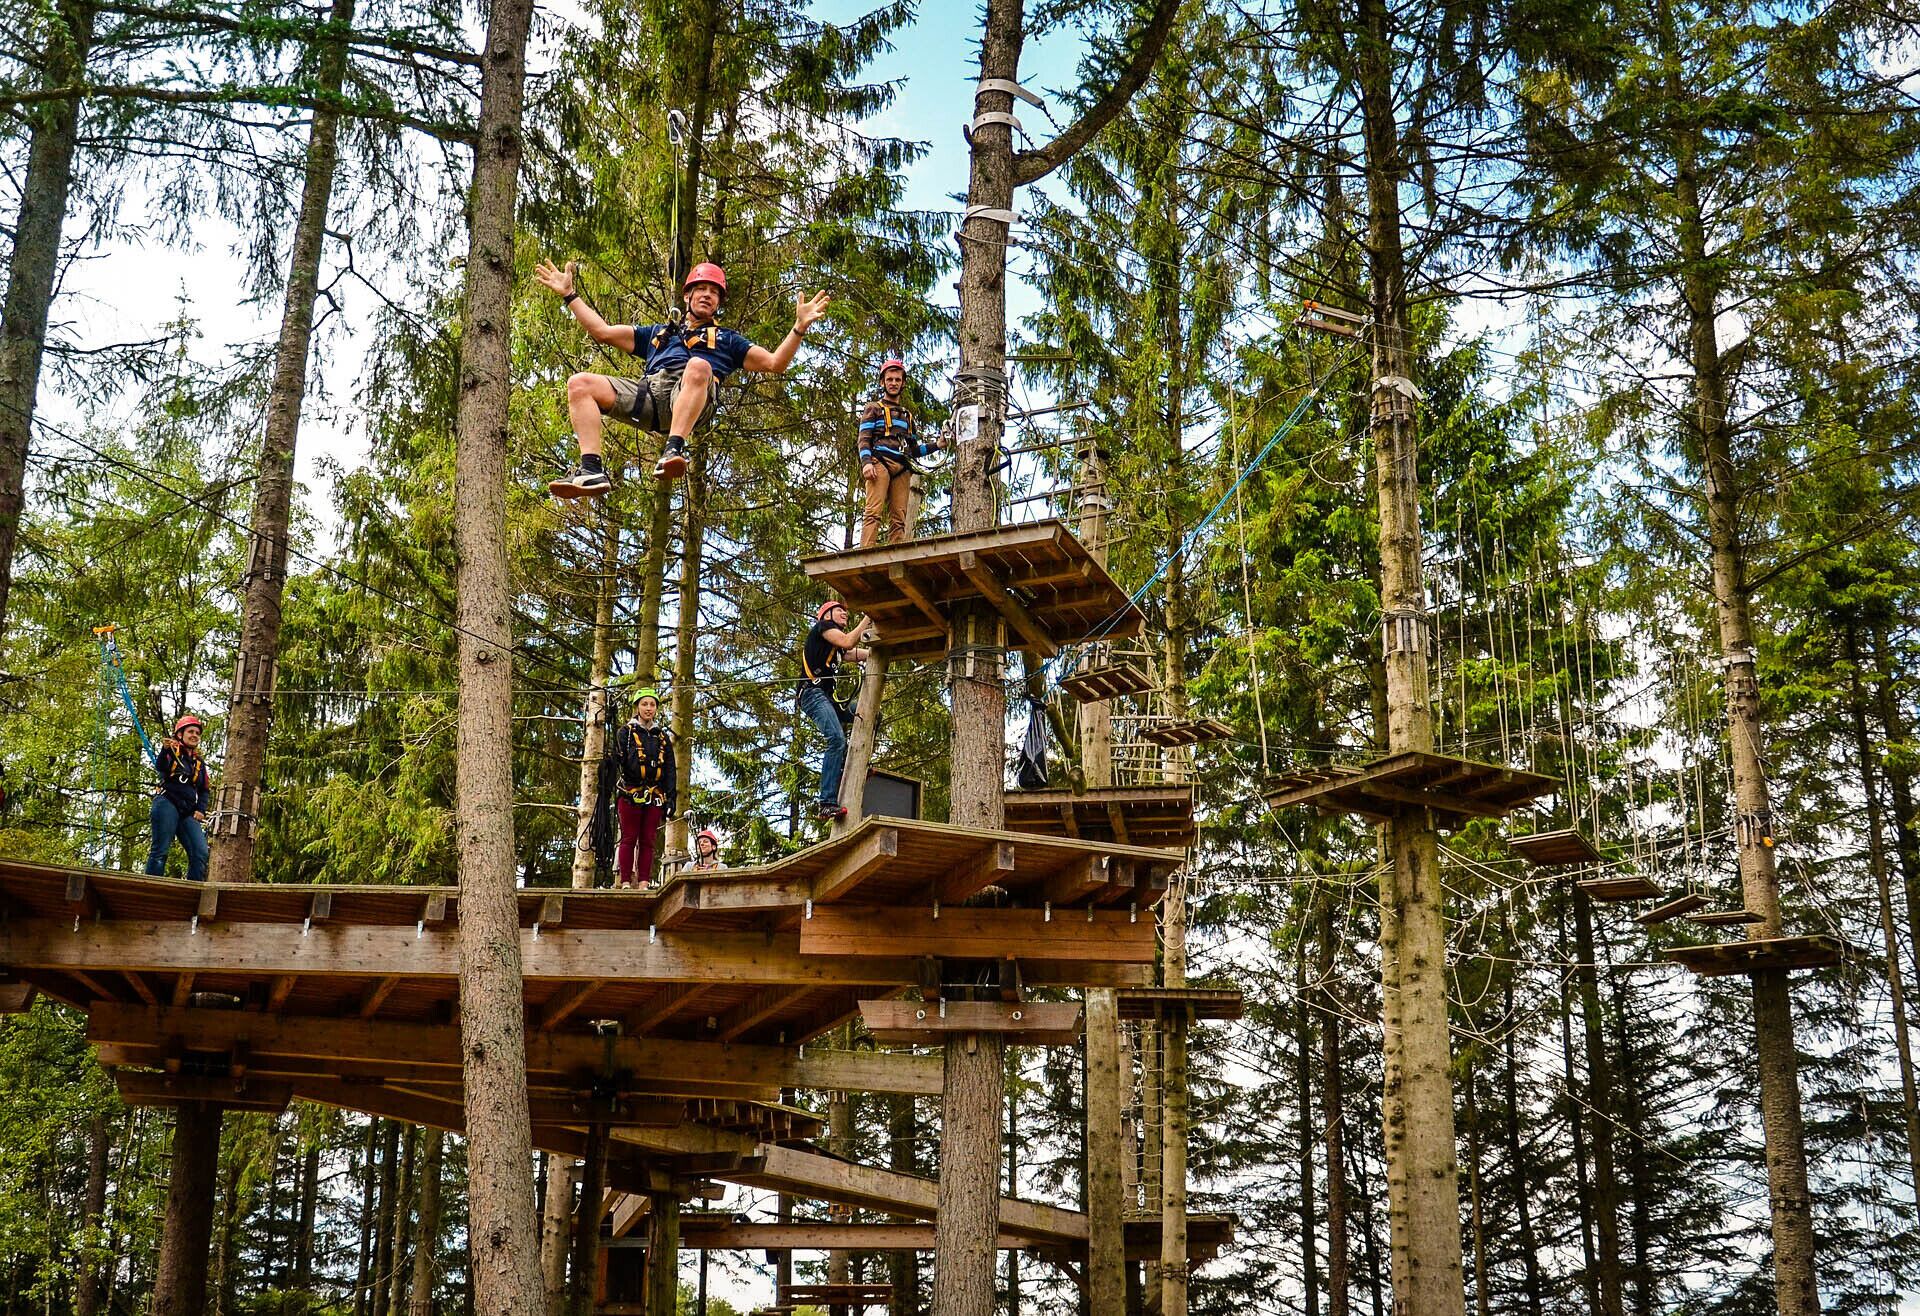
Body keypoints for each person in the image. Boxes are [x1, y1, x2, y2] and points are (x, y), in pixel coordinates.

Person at [534, 258, 832, 493]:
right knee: (580, 384)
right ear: (687, 294)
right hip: (651, 397)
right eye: (702, 289)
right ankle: (592, 470)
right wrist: (569, 295)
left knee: (699, 365)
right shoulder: (658, 333)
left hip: (691, 399)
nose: (708, 295)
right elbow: (601, 332)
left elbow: (775, 363)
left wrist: (799, 327)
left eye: (714, 292)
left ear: (719, 303)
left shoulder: (727, 340)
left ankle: (673, 449)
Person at [857, 356, 944, 547]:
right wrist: (867, 463)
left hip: (902, 468)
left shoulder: (906, 416)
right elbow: (864, 439)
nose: (893, 383)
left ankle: (895, 555)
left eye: (897, 380)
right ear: (883, 382)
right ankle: (865, 554)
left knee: (899, 518)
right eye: (890, 379)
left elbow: (913, 450)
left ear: (903, 383)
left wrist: (937, 445)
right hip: (880, 462)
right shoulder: (874, 409)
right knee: (873, 512)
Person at [797, 600, 871, 822]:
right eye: (840, 611)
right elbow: (849, 642)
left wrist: (883, 649)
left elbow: (855, 652)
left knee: (867, 713)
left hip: (827, 699)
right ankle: (826, 803)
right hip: (812, 694)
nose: (844, 615)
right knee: (836, 739)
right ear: (826, 615)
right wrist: (867, 617)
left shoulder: (833, 647)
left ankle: (859, 762)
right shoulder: (822, 628)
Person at [613, 684, 677, 888]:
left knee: (648, 840)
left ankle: (643, 881)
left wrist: (671, 796)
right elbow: (619, 760)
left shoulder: (662, 737)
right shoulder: (626, 733)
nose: (648, 708)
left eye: (652, 705)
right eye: (644, 704)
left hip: (654, 794)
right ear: (637, 707)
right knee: (629, 838)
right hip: (630, 792)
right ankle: (624, 880)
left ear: (656, 709)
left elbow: (669, 768)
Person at [147, 714, 212, 882]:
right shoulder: (172, 751)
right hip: (167, 803)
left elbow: (204, 789)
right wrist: (165, 749)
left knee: (200, 852)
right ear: (180, 734)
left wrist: (200, 809)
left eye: (197, 733)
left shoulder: (198, 762)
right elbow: (161, 767)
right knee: (160, 850)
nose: (194, 735)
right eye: (191, 731)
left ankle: (193, 891)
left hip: (187, 811)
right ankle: (151, 887)